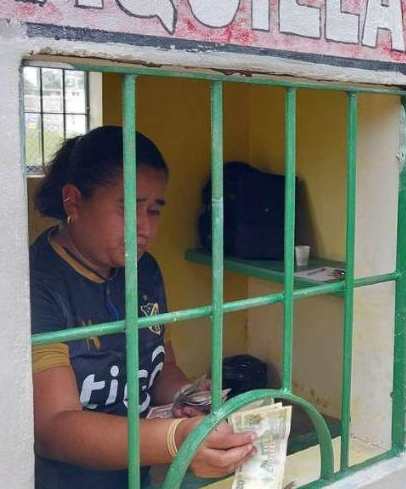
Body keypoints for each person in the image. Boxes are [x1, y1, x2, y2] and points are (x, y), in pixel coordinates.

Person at [29, 126, 254, 488]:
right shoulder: (38, 284)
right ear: (73, 202)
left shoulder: (144, 270)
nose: (144, 228)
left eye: (153, 210)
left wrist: (185, 398)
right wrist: (174, 438)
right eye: (128, 208)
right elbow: (54, 426)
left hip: (135, 477)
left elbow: (161, 365)